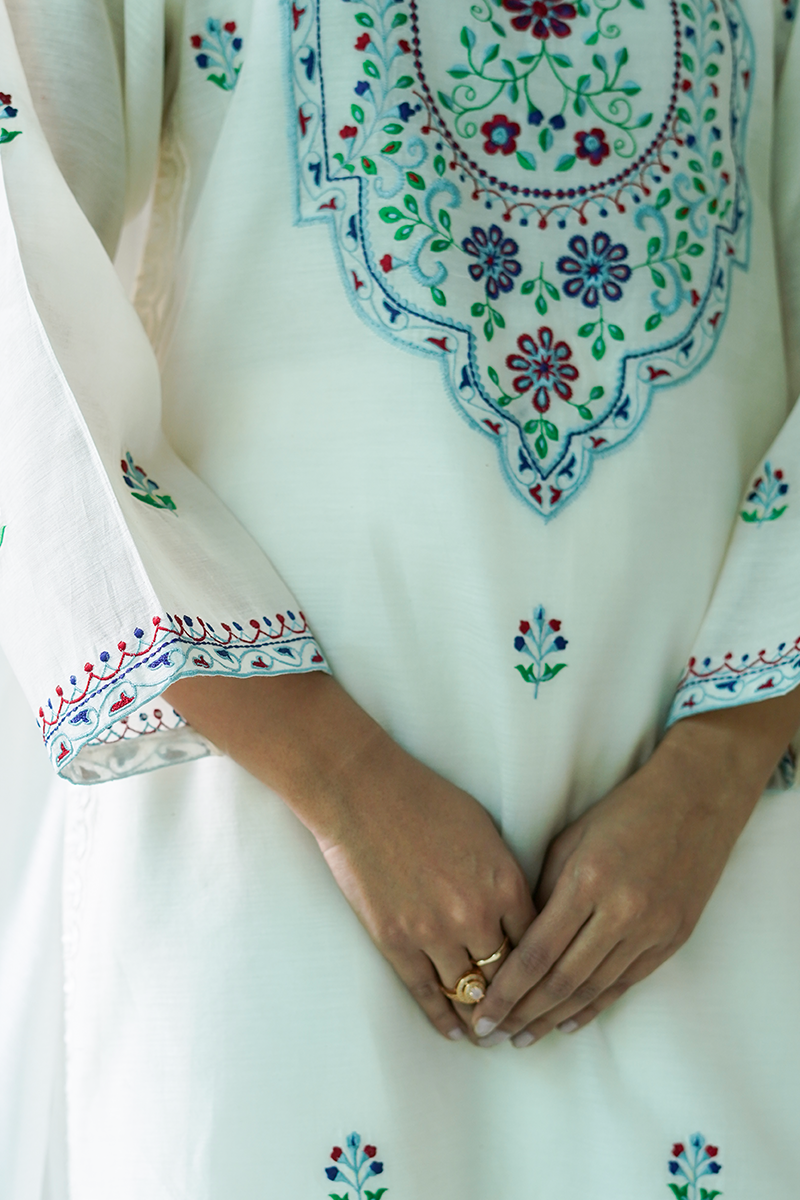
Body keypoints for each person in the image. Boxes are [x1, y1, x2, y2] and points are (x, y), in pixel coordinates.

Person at [1, 0, 800, 1196]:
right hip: (272, 814)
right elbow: (19, 278)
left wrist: (720, 763)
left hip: (700, 854)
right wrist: (341, 780)